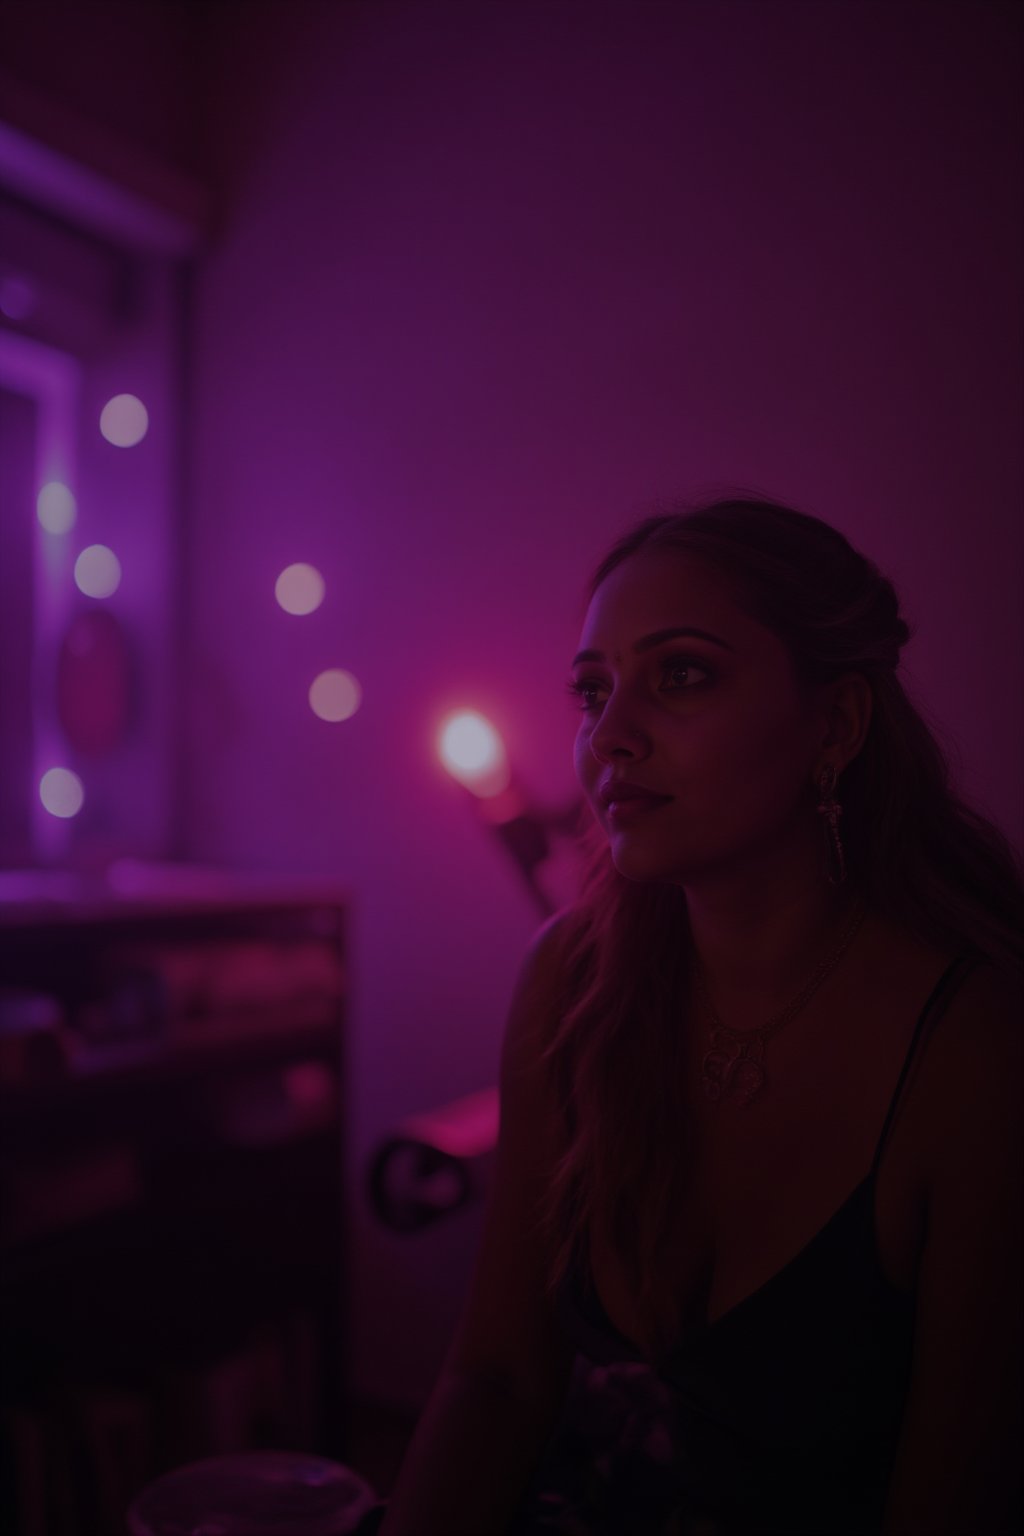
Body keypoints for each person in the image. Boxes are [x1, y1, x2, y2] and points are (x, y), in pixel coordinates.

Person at [378, 495, 1023, 1535]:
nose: (608, 738)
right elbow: (497, 1377)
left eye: (679, 674)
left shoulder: (972, 1052)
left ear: (836, 723)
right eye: (592, 692)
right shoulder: (570, 979)